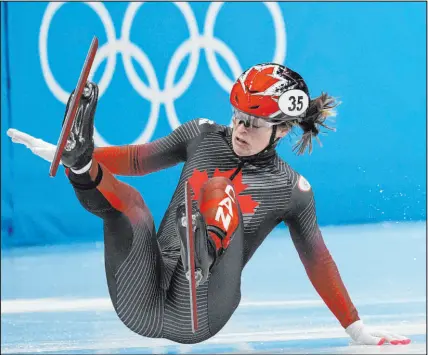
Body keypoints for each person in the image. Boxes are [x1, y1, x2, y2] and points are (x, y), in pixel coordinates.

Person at [7, 63, 411, 346]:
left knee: (219, 189)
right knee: (132, 209)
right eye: (237, 116)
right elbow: (134, 160)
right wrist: (72, 155)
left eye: (254, 123)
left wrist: (355, 328)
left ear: (283, 130)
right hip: (142, 300)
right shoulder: (201, 135)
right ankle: (81, 167)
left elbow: (318, 260)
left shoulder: (292, 189)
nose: (240, 128)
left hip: (200, 310)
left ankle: (202, 257)